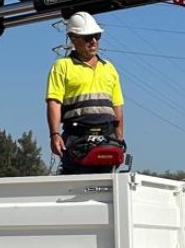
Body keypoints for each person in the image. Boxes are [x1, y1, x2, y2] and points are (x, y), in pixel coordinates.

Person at [45, 12, 125, 174]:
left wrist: (119, 138)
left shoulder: (109, 68)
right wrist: (54, 134)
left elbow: (117, 106)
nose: (94, 41)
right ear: (74, 38)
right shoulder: (62, 66)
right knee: (76, 184)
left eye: (96, 36)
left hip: (107, 137)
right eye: (88, 37)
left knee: (107, 187)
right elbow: (54, 102)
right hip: (76, 138)